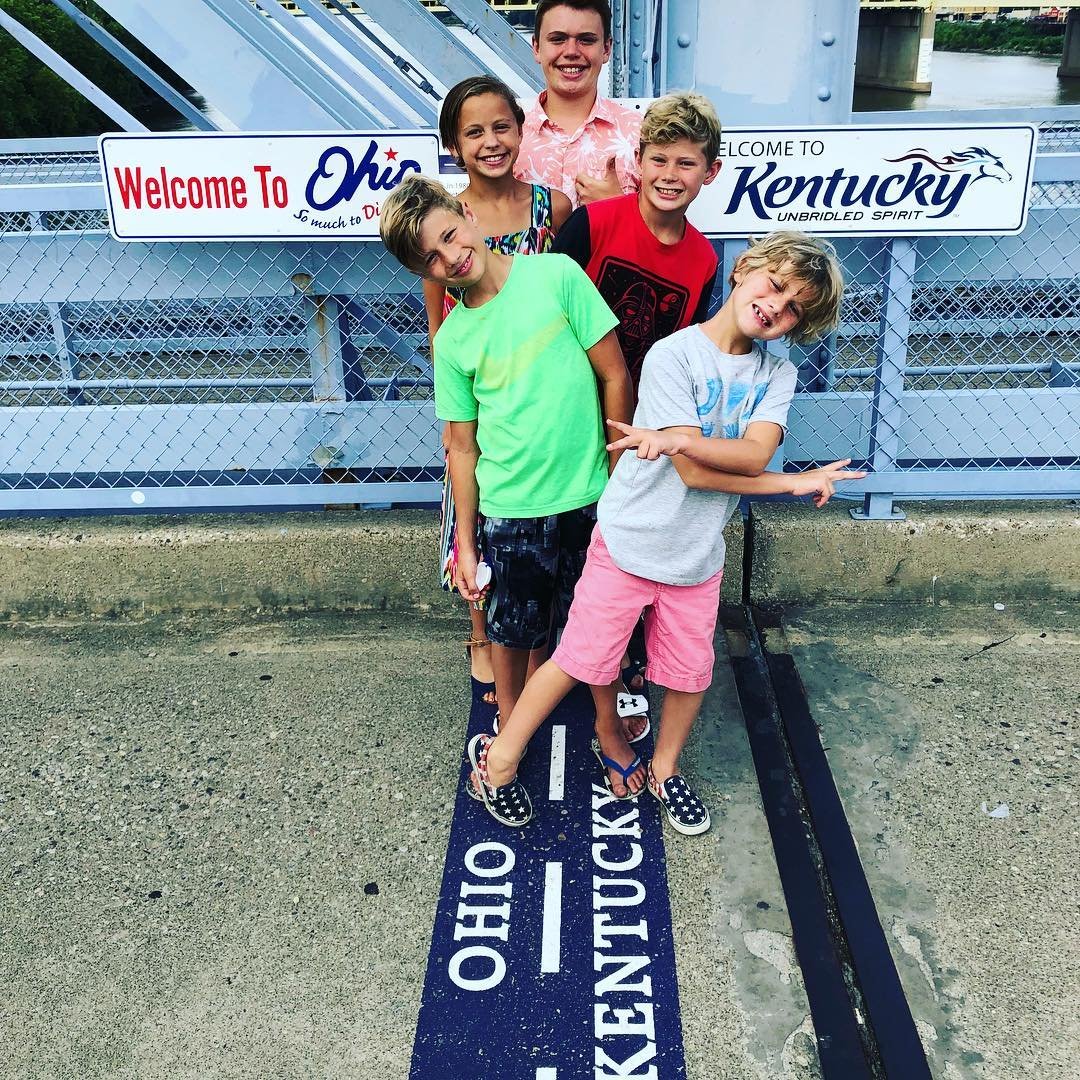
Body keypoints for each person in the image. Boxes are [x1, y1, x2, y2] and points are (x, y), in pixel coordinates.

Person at [466, 231, 867, 832]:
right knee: (576, 660)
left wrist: (742, 462)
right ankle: (498, 761)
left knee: (688, 673)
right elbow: (695, 472)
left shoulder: (776, 377)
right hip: (630, 542)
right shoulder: (672, 355)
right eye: (775, 286)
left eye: (792, 311)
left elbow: (754, 455)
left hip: (695, 556)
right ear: (745, 270)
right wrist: (786, 481)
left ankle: (666, 769)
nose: (775, 308)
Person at [380, 175, 633, 825]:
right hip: (511, 513)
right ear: (423, 274)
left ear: (465, 214)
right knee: (512, 638)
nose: (449, 257)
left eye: (448, 236)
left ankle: (608, 728)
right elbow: (461, 448)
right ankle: (506, 750)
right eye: (430, 260)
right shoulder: (455, 341)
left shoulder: (555, 276)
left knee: (596, 631)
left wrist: (617, 471)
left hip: (590, 499)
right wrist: (466, 543)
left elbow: (613, 373)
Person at [552, 89, 722, 715]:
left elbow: (689, 355)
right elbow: (545, 307)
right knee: (568, 532)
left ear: (711, 171)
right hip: (569, 406)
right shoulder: (594, 224)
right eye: (659, 159)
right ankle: (571, 655)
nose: (670, 175)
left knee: (620, 540)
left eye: (686, 163)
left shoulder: (703, 258)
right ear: (639, 161)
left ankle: (623, 660)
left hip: (642, 422)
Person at [422, 75, 573, 708]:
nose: (491, 142)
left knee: (535, 531)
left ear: (521, 129)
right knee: (478, 512)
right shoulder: (446, 223)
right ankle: (480, 634)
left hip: (537, 389)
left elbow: (562, 299)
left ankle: (531, 642)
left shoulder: (553, 209)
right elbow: (439, 324)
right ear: (454, 145)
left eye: (501, 127)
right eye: (474, 132)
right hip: (481, 389)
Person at [515, 0, 642, 208]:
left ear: (607, 49)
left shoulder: (641, 135)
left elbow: (664, 235)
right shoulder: (509, 137)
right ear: (537, 48)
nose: (571, 51)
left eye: (586, 40)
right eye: (557, 39)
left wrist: (620, 209)